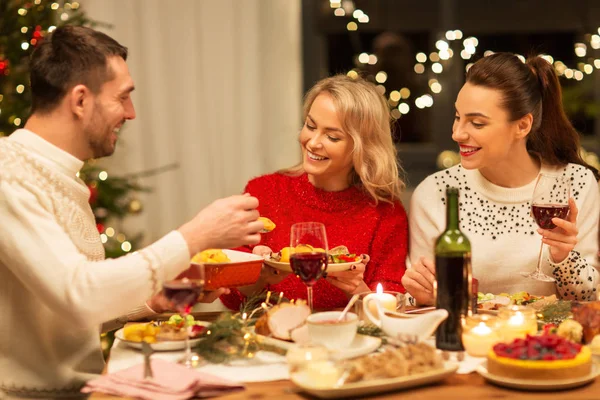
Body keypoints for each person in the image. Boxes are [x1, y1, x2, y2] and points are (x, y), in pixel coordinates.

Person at [0, 26, 264, 398]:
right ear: (80, 101)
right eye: (123, 97)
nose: (131, 113)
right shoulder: (9, 174)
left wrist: (149, 302)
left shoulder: (58, 176)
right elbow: (78, 294)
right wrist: (195, 237)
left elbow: (60, 309)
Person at [403, 52, 600, 305]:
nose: (457, 133)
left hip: (553, 341)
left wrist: (563, 258)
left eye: (476, 123)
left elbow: (589, 299)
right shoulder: (436, 193)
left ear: (522, 126)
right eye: (457, 117)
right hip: (470, 338)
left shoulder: (577, 183)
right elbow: (415, 301)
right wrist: (422, 296)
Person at [220, 75, 409, 311]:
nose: (313, 142)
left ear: (362, 147)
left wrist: (358, 291)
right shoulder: (262, 193)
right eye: (310, 126)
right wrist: (261, 279)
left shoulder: (386, 214)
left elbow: (393, 304)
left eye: (332, 136)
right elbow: (230, 300)